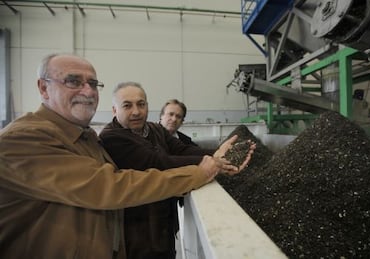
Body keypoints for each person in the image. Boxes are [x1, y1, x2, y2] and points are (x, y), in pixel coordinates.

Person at [0, 53, 253, 259]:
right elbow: (110, 185)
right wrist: (200, 172)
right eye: (73, 81)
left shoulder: (87, 136)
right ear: (43, 88)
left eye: (93, 83)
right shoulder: (25, 138)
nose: (87, 91)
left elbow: (180, 150)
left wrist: (217, 156)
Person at [99, 82, 256, 259]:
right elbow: (157, 161)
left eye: (141, 104)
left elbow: (181, 149)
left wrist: (218, 154)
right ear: (114, 110)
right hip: (135, 227)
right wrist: (213, 162)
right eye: (127, 106)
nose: (136, 111)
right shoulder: (111, 137)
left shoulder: (155, 129)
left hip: (163, 219)